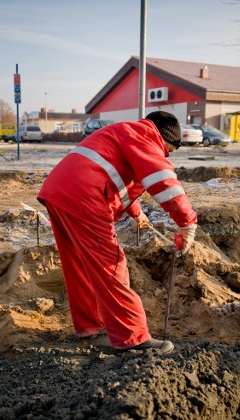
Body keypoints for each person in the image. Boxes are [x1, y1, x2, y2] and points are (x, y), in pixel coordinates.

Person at [37, 111, 197, 354]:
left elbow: (112, 176)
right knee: (111, 264)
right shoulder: (146, 137)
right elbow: (163, 180)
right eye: (168, 150)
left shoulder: (125, 132)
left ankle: (90, 325)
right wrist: (187, 223)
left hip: (59, 193)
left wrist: (136, 213)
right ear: (164, 137)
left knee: (79, 264)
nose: (165, 155)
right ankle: (132, 337)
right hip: (84, 197)